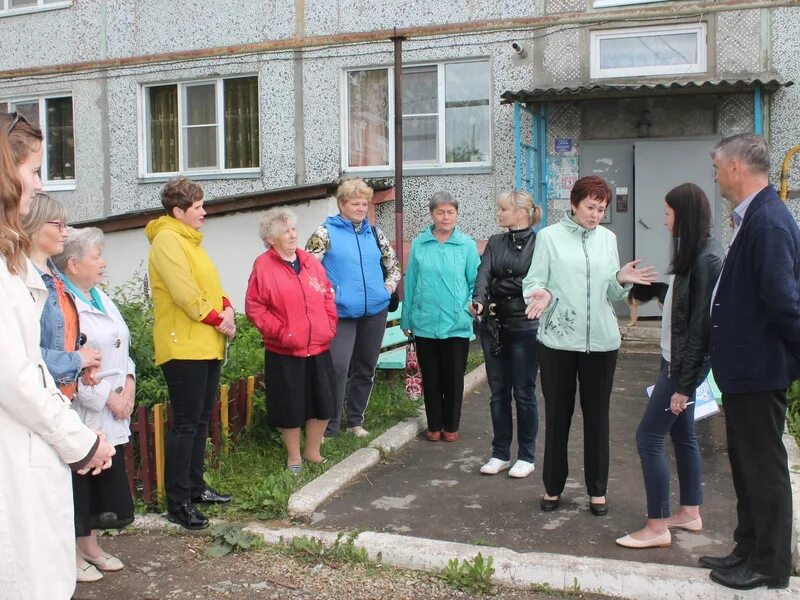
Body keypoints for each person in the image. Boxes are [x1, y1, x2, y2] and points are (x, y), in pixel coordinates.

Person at [0, 112, 114, 600]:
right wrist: (81, 442)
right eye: (32, 171)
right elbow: (16, 376)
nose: (38, 184)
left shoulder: (16, 271)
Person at [522, 175, 656, 515]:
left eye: (602, 209)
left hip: (602, 342)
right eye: (590, 207)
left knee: (597, 418)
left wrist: (621, 281)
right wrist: (541, 292)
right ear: (574, 203)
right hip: (557, 343)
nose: (596, 215)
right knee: (557, 417)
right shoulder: (548, 238)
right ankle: (553, 487)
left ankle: (598, 491)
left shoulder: (608, 239)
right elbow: (535, 281)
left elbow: (612, 293)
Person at [700, 134, 798, 591]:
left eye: (718, 166)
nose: (716, 175)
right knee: (745, 465)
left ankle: (770, 564)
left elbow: (783, 302)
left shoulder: (769, 222)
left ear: (737, 167)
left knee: (763, 469)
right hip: (742, 372)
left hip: (759, 372)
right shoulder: (754, 216)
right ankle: (748, 547)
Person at [616, 183, 723, 549]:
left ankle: (657, 525)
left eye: (667, 213)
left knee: (648, 438)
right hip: (674, 361)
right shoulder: (695, 253)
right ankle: (690, 512)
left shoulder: (708, 259)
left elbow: (700, 329)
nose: (663, 221)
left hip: (682, 368)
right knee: (682, 434)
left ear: (684, 215)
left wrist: (683, 384)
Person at [145, 177, 233, 531]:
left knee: (199, 421)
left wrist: (227, 310)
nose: (204, 212)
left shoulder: (192, 242)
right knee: (184, 424)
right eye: (197, 207)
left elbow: (212, 285)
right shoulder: (167, 240)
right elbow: (184, 293)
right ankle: (177, 502)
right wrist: (218, 319)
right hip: (182, 345)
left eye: (202, 205)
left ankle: (196, 487)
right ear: (178, 211)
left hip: (206, 341)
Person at [55, 227, 137, 579]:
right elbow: (66, 362)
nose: (103, 262)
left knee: (100, 479)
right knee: (79, 483)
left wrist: (129, 386)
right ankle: (70, 555)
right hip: (85, 408)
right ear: (73, 264)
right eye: (96, 256)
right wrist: (108, 398)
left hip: (114, 407)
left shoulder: (99, 295)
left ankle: (90, 547)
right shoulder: (62, 303)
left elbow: (123, 347)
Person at [306, 178, 400, 439]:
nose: (361, 208)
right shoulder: (324, 233)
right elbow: (308, 271)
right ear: (341, 204)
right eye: (355, 203)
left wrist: (387, 288)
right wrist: (329, 294)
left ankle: (356, 421)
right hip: (341, 313)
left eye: (364, 203)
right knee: (337, 367)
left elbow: (393, 266)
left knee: (366, 367)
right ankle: (331, 425)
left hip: (375, 311)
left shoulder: (375, 233)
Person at [245, 207, 337, 474]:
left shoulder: (309, 261)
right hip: (285, 349)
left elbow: (327, 294)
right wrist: (282, 332)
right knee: (290, 403)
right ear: (271, 239)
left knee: (323, 400)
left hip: (319, 344)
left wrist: (329, 325)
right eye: (285, 231)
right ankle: (294, 457)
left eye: (294, 229)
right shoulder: (263, 266)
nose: (292, 235)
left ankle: (313, 452)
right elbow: (255, 308)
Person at [471, 190, 542, 477]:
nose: (498, 214)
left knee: (524, 392)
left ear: (521, 212)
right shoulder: (496, 242)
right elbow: (484, 274)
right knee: (498, 392)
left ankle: (526, 455)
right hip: (494, 325)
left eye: (503, 209)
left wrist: (508, 286)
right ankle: (500, 453)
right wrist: (478, 298)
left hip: (526, 325)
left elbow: (536, 282)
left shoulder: (541, 243)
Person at [401, 191, 480, 442]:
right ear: (432, 214)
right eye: (440, 212)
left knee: (454, 378)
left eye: (450, 212)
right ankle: (433, 425)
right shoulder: (419, 244)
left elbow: (475, 280)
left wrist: (469, 305)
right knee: (432, 377)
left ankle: (451, 426)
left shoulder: (466, 244)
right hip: (425, 322)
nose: (446, 217)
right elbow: (411, 282)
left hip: (457, 322)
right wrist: (406, 318)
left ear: (457, 214)